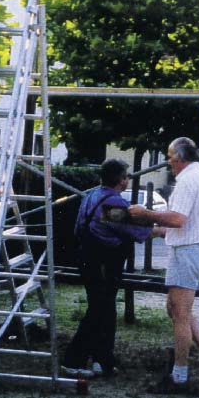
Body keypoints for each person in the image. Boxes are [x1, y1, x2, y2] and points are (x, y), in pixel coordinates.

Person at [129, 137, 199, 393]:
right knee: (174, 309)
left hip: (188, 252)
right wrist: (160, 231)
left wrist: (145, 214)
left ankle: (179, 376)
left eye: (170, 156)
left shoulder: (186, 181)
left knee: (180, 315)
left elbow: (178, 219)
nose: (168, 162)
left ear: (180, 158)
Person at [62, 158, 152, 378]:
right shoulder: (114, 203)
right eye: (127, 176)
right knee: (99, 310)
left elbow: (78, 227)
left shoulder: (91, 195)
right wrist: (162, 229)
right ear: (121, 180)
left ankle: (103, 360)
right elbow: (136, 231)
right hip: (103, 262)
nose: (128, 180)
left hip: (87, 258)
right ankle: (73, 359)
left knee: (105, 308)